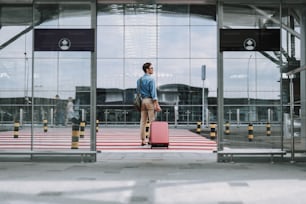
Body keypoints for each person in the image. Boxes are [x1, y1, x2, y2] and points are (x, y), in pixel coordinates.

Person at [137, 62, 161, 146]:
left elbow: (138, 92)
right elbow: (153, 93)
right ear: (147, 69)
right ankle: (151, 140)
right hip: (150, 101)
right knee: (152, 121)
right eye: (151, 68)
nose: (152, 69)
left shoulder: (139, 80)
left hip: (143, 101)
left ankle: (143, 140)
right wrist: (157, 104)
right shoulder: (151, 79)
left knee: (142, 121)